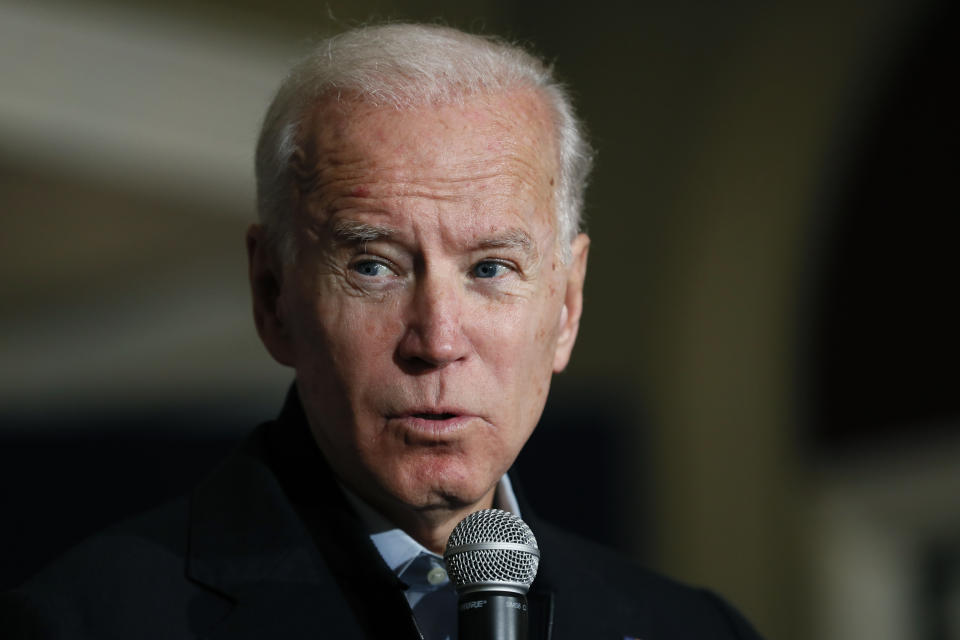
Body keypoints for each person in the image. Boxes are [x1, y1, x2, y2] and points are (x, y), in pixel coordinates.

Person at [0, 23, 762, 639]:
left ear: (565, 307)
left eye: (491, 268)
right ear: (273, 295)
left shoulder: (693, 628)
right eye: (374, 266)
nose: (436, 340)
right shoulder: (83, 622)